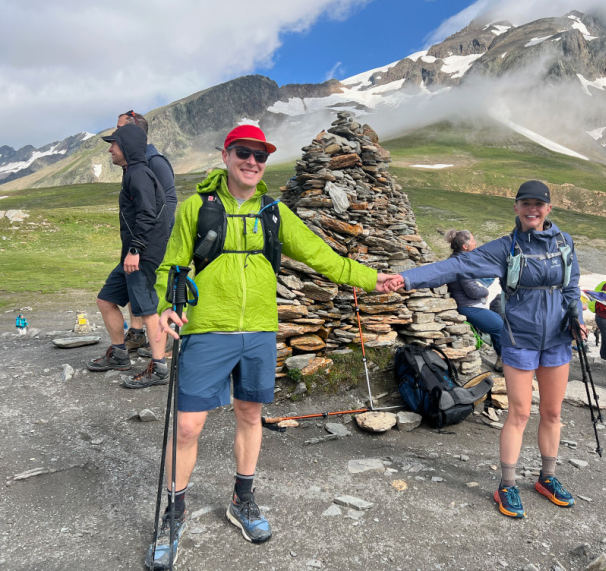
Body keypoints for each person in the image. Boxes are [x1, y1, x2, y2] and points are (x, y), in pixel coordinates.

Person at [144, 124, 396, 569]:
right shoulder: (196, 208)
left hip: (259, 331)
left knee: (250, 415)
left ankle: (242, 500)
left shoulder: (274, 212)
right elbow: (173, 264)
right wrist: (167, 305)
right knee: (187, 427)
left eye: (260, 156)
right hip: (207, 330)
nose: (252, 162)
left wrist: (372, 279)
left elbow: (321, 256)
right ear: (226, 155)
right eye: (243, 152)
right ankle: (174, 513)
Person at [385, 180, 586, 519]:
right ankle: (507, 484)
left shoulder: (564, 242)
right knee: (520, 414)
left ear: (548, 209)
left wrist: (576, 316)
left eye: (538, 204)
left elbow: (571, 286)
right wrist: (406, 278)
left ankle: (547, 478)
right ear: (516, 208)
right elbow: (456, 266)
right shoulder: (506, 248)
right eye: (526, 203)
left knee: (552, 413)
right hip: (520, 339)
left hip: (557, 339)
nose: (532, 209)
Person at [87, 124, 170, 389]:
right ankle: (120, 354)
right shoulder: (132, 172)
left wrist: (135, 250)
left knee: (148, 311)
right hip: (133, 254)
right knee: (106, 299)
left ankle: (159, 368)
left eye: (114, 144)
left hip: (141, 255)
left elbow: (147, 213)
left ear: (127, 147)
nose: (110, 149)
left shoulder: (138, 174)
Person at [115, 111, 177, 356]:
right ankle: (138, 332)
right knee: (135, 285)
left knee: (152, 288)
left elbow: (169, 200)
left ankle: (162, 345)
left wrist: (155, 239)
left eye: (120, 128)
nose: (116, 133)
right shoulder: (133, 164)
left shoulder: (155, 161)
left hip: (152, 240)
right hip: (140, 239)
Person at [443, 229, 504, 371]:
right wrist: (486, 291)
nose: (475, 243)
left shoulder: (456, 260)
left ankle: (502, 358)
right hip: (468, 306)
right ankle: (503, 362)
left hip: (468, 304)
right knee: (500, 327)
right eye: (472, 240)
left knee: (500, 322)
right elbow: (473, 291)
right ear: (465, 246)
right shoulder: (462, 264)